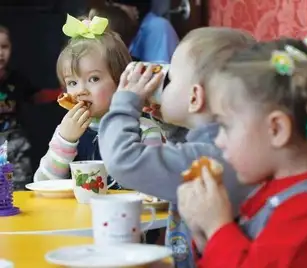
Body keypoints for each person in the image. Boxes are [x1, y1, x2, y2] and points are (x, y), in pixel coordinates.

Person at [177, 38, 307, 267]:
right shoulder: (271, 189)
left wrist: (217, 227)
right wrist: (202, 235)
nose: (219, 141)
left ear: (275, 129)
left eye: (225, 126)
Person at [98, 27, 256, 267]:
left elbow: (123, 160)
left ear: (195, 98)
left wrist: (124, 103)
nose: (162, 86)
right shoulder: (217, 147)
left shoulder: (210, 159)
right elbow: (182, 153)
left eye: (170, 80)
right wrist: (173, 126)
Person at [33, 13, 163, 182]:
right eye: (72, 83)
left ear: (120, 81)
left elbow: (155, 184)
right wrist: (66, 141)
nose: (81, 91)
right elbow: (42, 183)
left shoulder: (144, 130)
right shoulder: (67, 131)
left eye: (93, 79)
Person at [0, 25, 42, 190]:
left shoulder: (17, 79)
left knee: (20, 186)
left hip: (16, 144)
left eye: (4, 47)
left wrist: (61, 92)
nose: (0, 53)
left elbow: (35, 96)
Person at [106, 0, 179, 63]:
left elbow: (159, 72)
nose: (113, 13)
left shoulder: (157, 27)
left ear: (135, 9)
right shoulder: (125, 28)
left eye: (117, 8)